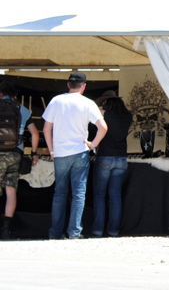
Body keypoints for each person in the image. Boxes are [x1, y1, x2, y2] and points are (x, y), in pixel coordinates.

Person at [43, 72, 108, 240]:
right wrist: (93, 144)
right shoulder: (88, 103)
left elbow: (46, 129)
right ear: (84, 86)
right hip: (80, 152)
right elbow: (103, 127)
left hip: (60, 153)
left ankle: (55, 233)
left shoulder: (56, 101)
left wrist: (51, 150)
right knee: (79, 193)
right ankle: (74, 232)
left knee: (59, 193)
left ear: (68, 84)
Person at [0, 81, 40, 239]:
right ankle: (5, 229)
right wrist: (34, 153)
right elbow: (35, 134)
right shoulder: (22, 109)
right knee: (11, 190)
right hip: (16, 153)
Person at [91, 90, 133, 238]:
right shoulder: (128, 116)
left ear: (107, 102)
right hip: (121, 158)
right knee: (115, 196)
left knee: (100, 195)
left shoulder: (104, 116)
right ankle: (113, 230)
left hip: (104, 157)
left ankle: (97, 230)